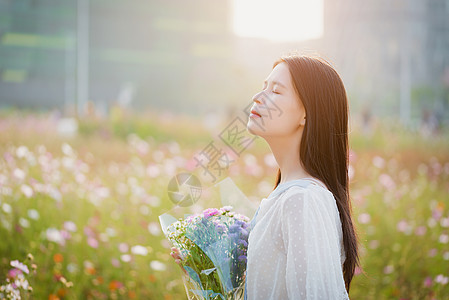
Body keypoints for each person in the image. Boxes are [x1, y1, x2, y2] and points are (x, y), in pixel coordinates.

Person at [244, 53, 361, 299]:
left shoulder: (302, 200)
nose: (257, 97)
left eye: (276, 92)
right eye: (264, 87)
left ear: (306, 114)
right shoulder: (287, 194)